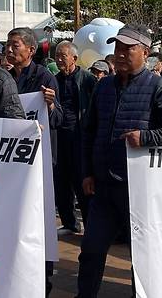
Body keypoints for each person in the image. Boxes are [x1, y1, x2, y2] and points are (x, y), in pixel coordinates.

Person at [77, 23, 162, 298]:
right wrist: (88, 173)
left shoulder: (161, 87)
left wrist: (145, 137)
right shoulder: (103, 88)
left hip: (140, 189)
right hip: (103, 185)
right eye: (117, 48)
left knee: (141, 255)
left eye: (128, 48)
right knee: (91, 249)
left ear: (145, 52)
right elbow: (89, 131)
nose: (120, 54)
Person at [5, 27, 63, 296]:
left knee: (38, 220)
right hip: (11, 161)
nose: (10, 49)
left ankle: (43, 276)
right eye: (8, 44)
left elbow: (58, 119)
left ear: (30, 50)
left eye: (15, 45)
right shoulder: (4, 78)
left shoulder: (44, 77)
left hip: (39, 160)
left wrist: (50, 106)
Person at [53, 40, 96, 234]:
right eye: (57, 56)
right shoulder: (53, 79)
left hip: (80, 137)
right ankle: (69, 222)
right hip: (59, 136)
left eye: (63, 56)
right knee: (61, 182)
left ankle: (90, 224)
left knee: (82, 182)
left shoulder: (87, 79)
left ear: (74, 58)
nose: (59, 60)